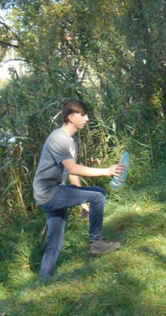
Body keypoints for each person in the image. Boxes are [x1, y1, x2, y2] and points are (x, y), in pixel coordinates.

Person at [33, 98, 125, 279]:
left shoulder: (72, 140)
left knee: (56, 240)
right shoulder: (58, 138)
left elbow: (70, 171)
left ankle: (44, 279)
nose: (87, 119)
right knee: (98, 194)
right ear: (71, 117)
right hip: (48, 193)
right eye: (83, 115)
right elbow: (74, 168)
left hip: (55, 191)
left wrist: (82, 199)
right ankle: (96, 242)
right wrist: (107, 171)